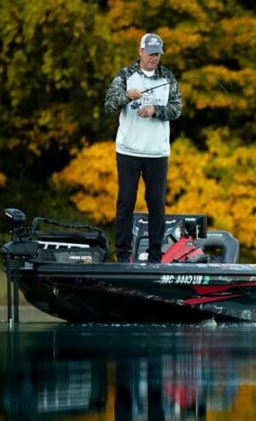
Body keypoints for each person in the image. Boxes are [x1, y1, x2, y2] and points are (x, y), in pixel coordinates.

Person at [103, 33, 182, 263]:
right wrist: (126, 96)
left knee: (156, 203)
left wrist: (155, 111)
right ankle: (123, 253)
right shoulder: (125, 75)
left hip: (157, 152)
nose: (153, 58)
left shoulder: (167, 77)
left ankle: (156, 256)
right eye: (150, 54)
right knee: (126, 201)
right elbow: (108, 104)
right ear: (140, 52)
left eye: (157, 54)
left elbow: (177, 108)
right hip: (128, 150)